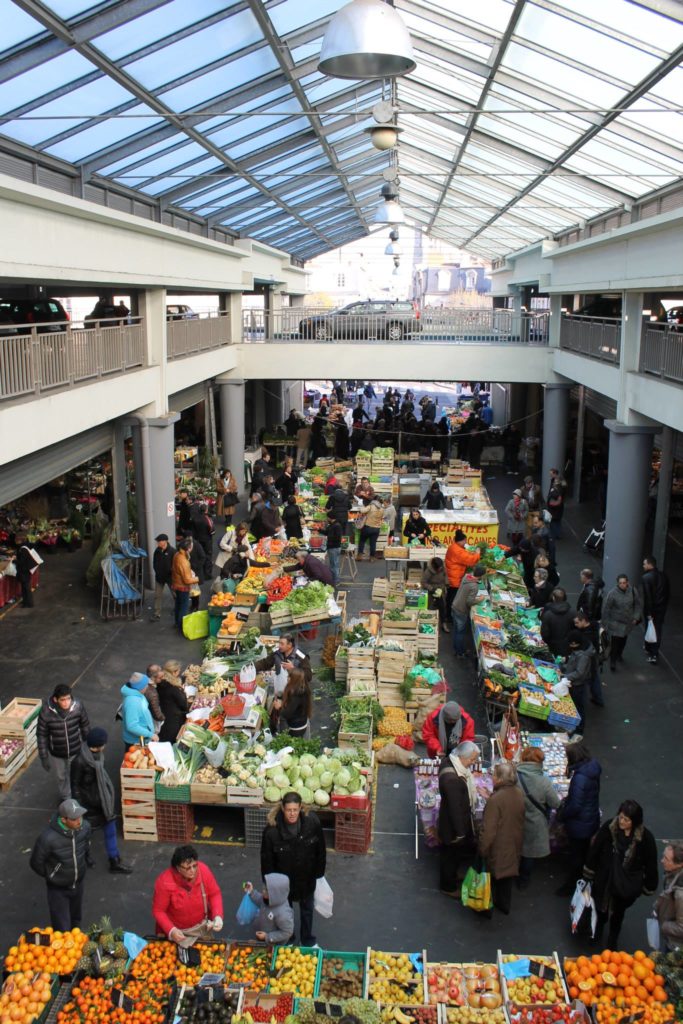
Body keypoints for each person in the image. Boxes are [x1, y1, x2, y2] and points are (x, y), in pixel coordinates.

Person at [584, 799, 658, 948]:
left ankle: (613, 939)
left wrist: (649, 884)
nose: (622, 821)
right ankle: (597, 933)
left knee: (618, 912)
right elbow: (596, 849)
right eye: (621, 817)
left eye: (627, 819)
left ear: (635, 821)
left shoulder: (645, 838)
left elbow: (650, 862)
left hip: (626, 883)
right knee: (600, 908)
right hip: (605, 879)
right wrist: (589, 872)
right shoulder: (610, 828)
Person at [261, 792, 326, 946]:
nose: (292, 814)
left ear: (300, 808)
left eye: (295, 810)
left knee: (307, 910)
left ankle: (307, 940)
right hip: (284, 881)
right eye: (289, 810)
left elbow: (320, 849)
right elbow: (266, 860)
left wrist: (319, 873)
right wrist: (268, 884)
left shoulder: (312, 823)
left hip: (306, 877)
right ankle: (287, 938)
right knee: (284, 914)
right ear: (283, 808)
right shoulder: (272, 831)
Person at [70, 728, 132, 875]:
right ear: (98, 745)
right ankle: (84, 857)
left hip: (104, 803)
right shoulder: (79, 762)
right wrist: (80, 808)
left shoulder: (98, 756)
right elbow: (75, 786)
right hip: (88, 806)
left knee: (110, 831)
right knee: (85, 834)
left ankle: (114, 861)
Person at [30, 798, 92, 930]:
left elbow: (86, 845)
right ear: (64, 819)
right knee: (62, 928)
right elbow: (36, 863)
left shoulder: (85, 827)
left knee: (76, 922)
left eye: (80, 816)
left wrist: (84, 863)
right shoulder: (48, 838)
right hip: (58, 890)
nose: (79, 821)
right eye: (74, 819)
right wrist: (52, 875)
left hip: (78, 884)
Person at [478, 760, 525, 914]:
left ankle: (486, 908)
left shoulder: (496, 800)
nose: (492, 777)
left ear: (499, 779)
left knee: (490, 878)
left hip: (498, 845)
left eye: (494, 775)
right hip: (514, 842)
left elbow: (489, 830)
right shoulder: (518, 793)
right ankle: (504, 905)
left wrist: (482, 850)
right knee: (507, 876)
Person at [555, 741, 601, 895]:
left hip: (580, 824)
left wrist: (562, 815)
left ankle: (573, 885)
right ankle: (585, 877)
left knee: (577, 855)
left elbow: (575, 805)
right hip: (590, 818)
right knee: (584, 851)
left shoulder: (580, 777)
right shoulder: (592, 768)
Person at [153, 845, 224, 945]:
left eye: (194, 865)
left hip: (200, 928)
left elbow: (214, 894)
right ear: (178, 868)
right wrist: (171, 930)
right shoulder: (164, 882)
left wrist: (217, 916)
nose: (193, 870)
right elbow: (159, 911)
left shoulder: (203, 871)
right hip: (178, 932)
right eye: (187, 868)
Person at [438, 740, 480, 897]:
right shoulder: (452, 780)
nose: (473, 762)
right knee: (450, 856)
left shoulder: (450, 761)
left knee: (453, 856)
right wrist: (461, 833)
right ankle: (448, 887)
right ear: (462, 756)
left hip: (450, 822)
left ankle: (453, 876)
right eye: (472, 759)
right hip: (451, 827)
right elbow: (455, 809)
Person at [516, 746, 561, 888]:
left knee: (514, 847)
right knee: (528, 853)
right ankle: (523, 880)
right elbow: (555, 803)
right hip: (535, 823)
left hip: (515, 819)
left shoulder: (514, 776)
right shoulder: (544, 782)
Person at [37, 684, 90, 800]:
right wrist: (43, 756)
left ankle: (77, 796)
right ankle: (66, 799)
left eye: (68, 699)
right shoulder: (46, 711)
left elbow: (85, 725)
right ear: (55, 700)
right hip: (57, 753)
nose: (66, 702)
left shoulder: (78, 706)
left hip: (75, 749)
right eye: (63, 700)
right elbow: (41, 735)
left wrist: (89, 746)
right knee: (61, 777)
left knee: (76, 774)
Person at [603, 574, 642, 672]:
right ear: (617, 583)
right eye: (620, 583)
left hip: (628, 622)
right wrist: (605, 623)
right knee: (615, 642)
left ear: (627, 582)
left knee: (623, 640)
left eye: (624, 583)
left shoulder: (633, 591)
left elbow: (638, 604)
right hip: (615, 622)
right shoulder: (612, 593)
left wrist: (636, 617)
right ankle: (613, 661)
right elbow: (606, 609)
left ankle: (619, 654)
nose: (622, 585)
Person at [244, 875, 294, 945]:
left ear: (276, 893)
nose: (263, 891)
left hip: (274, 942)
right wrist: (251, 892)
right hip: (264, 932)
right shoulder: (268, 898)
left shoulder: (283, 914)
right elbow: (259, 900)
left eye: (266, 890)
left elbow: (287, 932)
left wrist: (267, 937)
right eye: (264, 887)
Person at [451, 565, 487, 656]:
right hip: (461, 610)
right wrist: (480, 599)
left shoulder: (466, 577)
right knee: (460, 632)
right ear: (481, 576)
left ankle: (456, 648)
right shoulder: (474, 586)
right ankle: (460, 652)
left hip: (455, 605)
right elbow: (469, 602)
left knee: (456, 629)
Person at [654, 840, 683, 951]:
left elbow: (681, 927)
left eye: (666, 859)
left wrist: (663, 925)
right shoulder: (672, 874)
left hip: (677, 947)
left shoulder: (680, 894)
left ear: (680, 864)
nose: (662, 861)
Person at [561, 629, 593, 731]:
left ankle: (579, 730)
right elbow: (573, 664)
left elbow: (579, 673)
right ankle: (570, 726)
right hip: (572, 682)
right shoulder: (579, 650)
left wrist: (566, 677)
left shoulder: (583, 656)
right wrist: (565, 665)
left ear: (575, 643)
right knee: (574, 706)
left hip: (578, 685)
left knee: (578, 707)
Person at [444, 530, 481, 618]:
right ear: (461, 540)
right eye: (465, 541)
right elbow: (470, 560)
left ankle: (448, 615)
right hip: (455, 578)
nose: (466, 543)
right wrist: (477, 554)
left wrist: (472, 553)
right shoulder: (457, 550)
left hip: (452, 575)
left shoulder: (454, 546)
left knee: (450, 596)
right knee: (453, 598)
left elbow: (465, 554)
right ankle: (450, 616)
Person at [641, 555, 670, 664]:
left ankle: (653, 653)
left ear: (649, 564)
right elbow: (667, 594)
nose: (643, 565)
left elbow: (648, 597)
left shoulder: (646, 578)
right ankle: (651, 649)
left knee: (650, 628)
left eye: (644, 564)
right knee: (657, 629)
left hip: (651, 610)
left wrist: (649, 613)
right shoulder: (664, 576)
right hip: (661, 609)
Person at [120, 672, 158, 746]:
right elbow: (132, 726)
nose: (147, 686)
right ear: (141, 687)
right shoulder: (133, 702)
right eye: (146, 685)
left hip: (142, 736)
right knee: (139, 754)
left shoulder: (138, 694)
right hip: (138, 740)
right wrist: (150, 734)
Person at [273, 669, 312, 739]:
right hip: (302, 723)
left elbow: (287, 714)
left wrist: (279, 707)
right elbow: (294, 707)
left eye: (289, 677)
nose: (287, 678)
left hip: (296, 727)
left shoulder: (296, 694)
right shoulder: (303, 689)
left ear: (294, 679)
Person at [157, 662, 190, 744]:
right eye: (178, 671)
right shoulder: (173, 688)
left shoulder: (159, 683)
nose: (179, 674)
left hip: (162, 718)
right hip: (173, 720)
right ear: (174, 672)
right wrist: (183, 692)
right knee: (171, 742)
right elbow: (183, 705)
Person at [171, 539, 199, 632]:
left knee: (178, 604)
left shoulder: (177, 555)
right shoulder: (184, 561)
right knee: (184, 606)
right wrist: (197, 578)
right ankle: (181, 626)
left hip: (176, 584)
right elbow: (187, 580)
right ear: (188, 548)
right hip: (182, 587)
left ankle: (176, 623)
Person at [540, 587, 574, 657]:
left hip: (552, 646)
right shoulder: (572, 613)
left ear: (553, 598)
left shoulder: (548, 615)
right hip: (567, 646)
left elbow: (545, 633)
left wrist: (548, 642)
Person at [152, 533, 175, 621]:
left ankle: (177, 608)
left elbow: (175, 565)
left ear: (165, 541)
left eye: (159, 541)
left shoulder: (172, 551)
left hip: (170, 577)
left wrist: (171, 572)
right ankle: (157, 613)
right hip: (159, 577)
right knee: (157, 595)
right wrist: (157, 571)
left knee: (175, 594)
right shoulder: (157, 551)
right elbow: (154, 563)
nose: (158, 543)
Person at [421, 556, 448, 631]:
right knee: (429, 607)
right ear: (434, 566)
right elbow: (423, 582)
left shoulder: (443, 568)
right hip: (431, 590)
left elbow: (445, 576)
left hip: (440, 589)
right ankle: (428, 624)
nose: (440, 569)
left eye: (441, 567)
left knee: (442, 607)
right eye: (439, 568)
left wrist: (446, 583)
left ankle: (443, 623)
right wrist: (431, 588)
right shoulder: (428, 572)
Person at [13, 534, 39, 607]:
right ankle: (25, 601)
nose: (15, 541)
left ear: (20, 540)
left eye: (16, 540)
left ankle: (29, 603)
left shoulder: (23, 549)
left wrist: (14, 560)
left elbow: (21, 562)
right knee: (25, 587)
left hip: (24, 571)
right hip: (25, 570)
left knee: (26, 588)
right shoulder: (24, 547)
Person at [320, 511, 342, 586]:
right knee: (334, 564)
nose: (327, 519)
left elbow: (337, 537)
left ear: (330, 517)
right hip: (332, 547)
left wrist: (329, 538)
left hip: (334, 548)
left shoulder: (336, 526)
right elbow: (327, 532)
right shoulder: (332, 525)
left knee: (334, 565)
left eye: (327, 517)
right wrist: (319, 529)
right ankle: (334, 579)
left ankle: (336, 581)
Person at [144, 664, 165, 731]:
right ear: (153, 677)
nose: (162, 679)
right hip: (149, 721)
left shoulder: (143, 681)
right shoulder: (152, 693)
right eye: (160, 678)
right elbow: (157, 714)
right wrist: (163, 718)